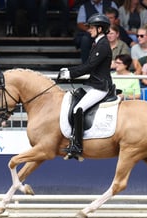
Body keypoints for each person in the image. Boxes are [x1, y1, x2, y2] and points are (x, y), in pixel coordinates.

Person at [59, 13, 113, 159]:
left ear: (100, 29)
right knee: (73, 98)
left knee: (78, 109)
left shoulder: (103, 45)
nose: (88, 30)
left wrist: (70, 73)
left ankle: (77, 145)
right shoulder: (98, 43)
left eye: (91, 28)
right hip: (93, 84)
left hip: (100, 87)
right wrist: (70, 71)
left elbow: (89, 66)